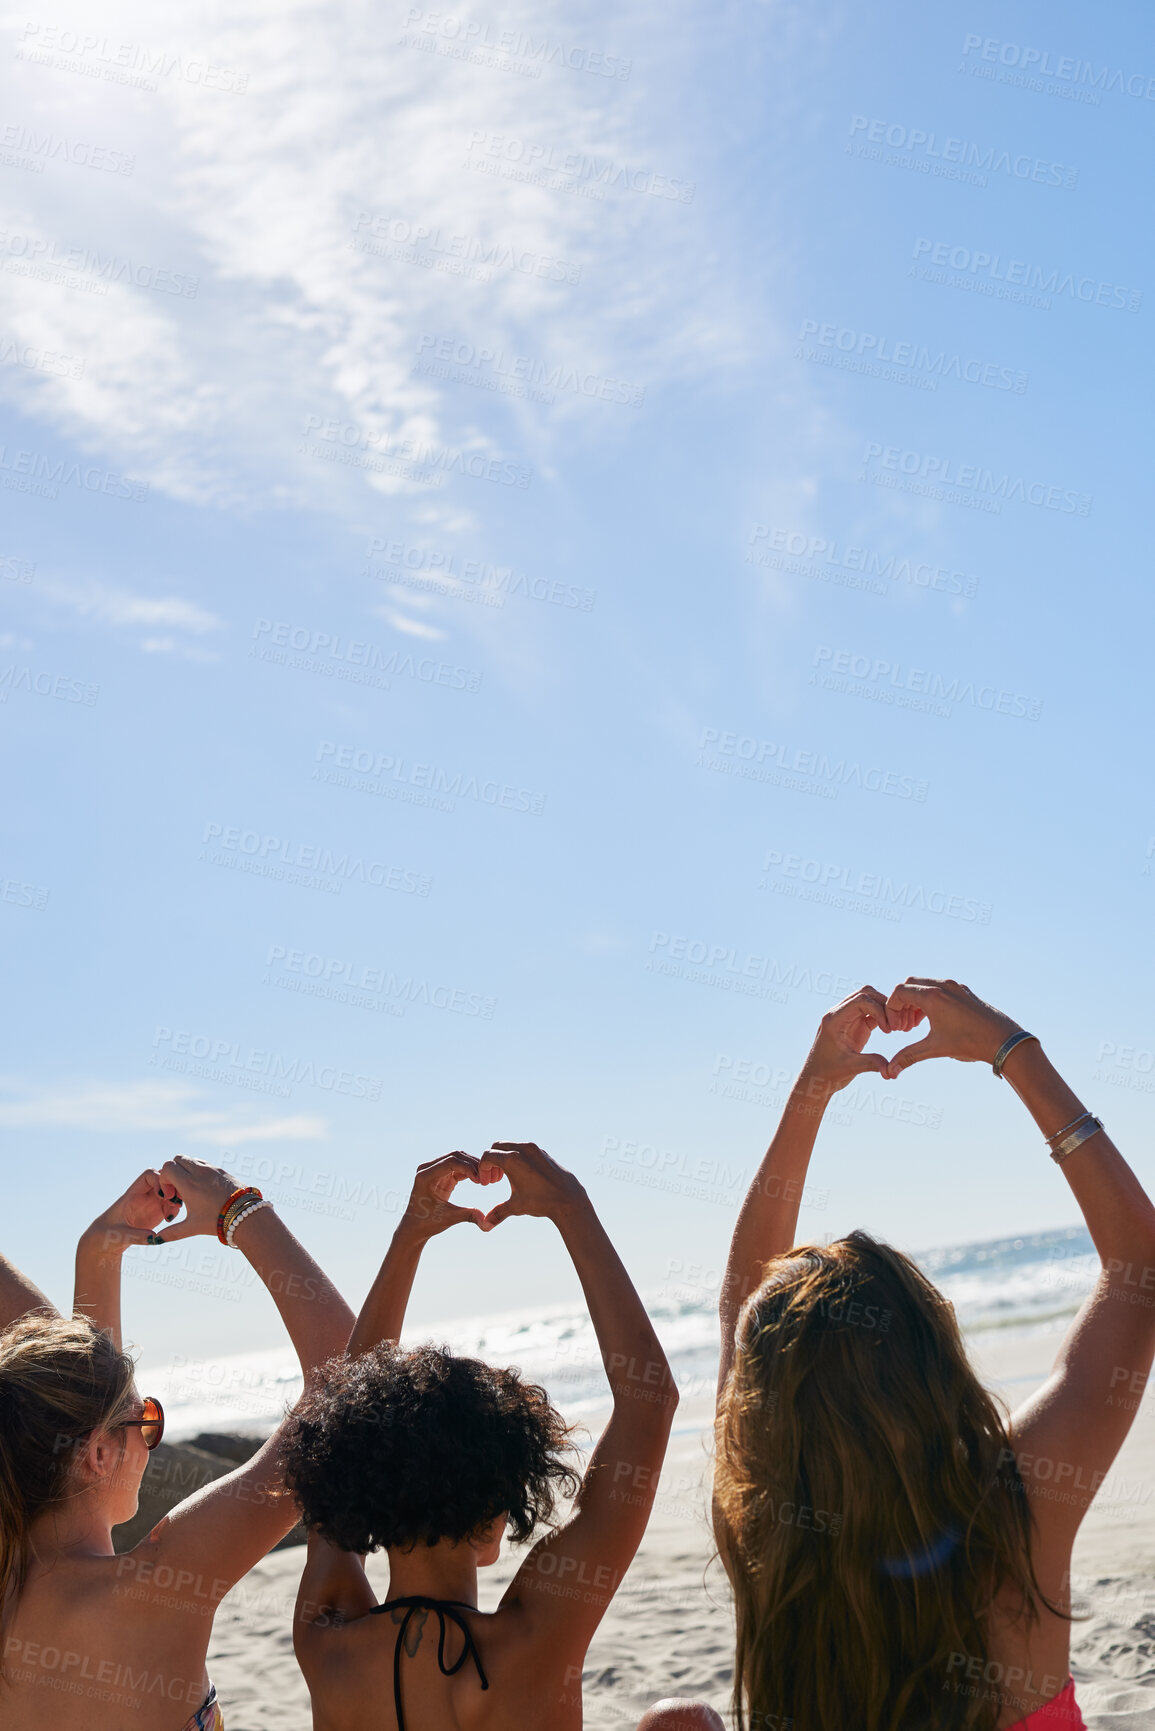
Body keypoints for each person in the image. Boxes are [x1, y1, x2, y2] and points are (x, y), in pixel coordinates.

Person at [702, 977, 1155, 1731]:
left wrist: (810, 1090)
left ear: (763, 1401)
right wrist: (1005, 1047)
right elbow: (1139, 1268)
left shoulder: (762, 1530)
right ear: (933, 1360)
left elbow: (739, 1310)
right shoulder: (1014, 1516)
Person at [286, 1141, 704, 1731]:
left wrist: (410, 1237)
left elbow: (344, 1413)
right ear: (496, 1512)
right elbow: (650, 1401)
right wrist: (571, 1207)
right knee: (684, 1722)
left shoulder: (325, 1641)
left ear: (357, 1490)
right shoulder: (537, 1637)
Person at [0, 1155, 354, 1731]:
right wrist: (242, 1211)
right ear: (94, 1455)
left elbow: (59, 1390)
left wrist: (99, 1257)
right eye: (147, 1421)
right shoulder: (159, 1585)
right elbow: (349, 1386)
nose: (151, 1443)